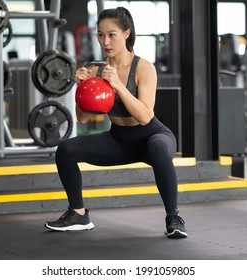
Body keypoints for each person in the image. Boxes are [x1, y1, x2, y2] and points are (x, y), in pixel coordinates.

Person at [44, 7, 188, 239]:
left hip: (151, 135)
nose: (105, 41)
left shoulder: (144, 67)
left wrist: (119, 86)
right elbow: (83, 118)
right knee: (65, 150)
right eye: (101, 35)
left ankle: (173, 217)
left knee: (159, 149)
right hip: (119, 139)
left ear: (127, 34)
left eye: (112, 34)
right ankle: (78, 214)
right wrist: (80, 88)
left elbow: (144, 117)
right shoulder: (96, 69)